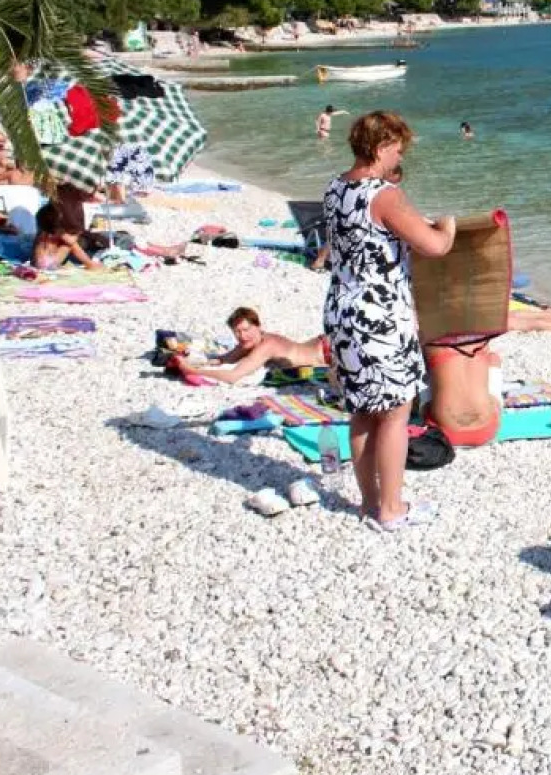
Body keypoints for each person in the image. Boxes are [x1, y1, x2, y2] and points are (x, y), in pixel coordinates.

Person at [324, 111, 455, 530]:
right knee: (396, 411)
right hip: (380, 315)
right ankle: (392, 509)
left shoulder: (335, 187)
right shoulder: (384, 194)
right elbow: (434, 245)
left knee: (362, 409)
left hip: (342, 307)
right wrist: (448, 227)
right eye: (398, 148)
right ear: (382, 147)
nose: (400, 156)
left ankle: (369, 503)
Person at [173, 307, 331, 385]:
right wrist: (193, 361)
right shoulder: (250, 341)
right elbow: (224, 360)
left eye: (246, 330)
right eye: (237, 332)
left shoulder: (267, 345)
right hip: (322, 343)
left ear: (258, 326)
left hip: (327, 352)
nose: (242, 336)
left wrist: (192, 371)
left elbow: (234, 376)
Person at [30, 202, 100, 270]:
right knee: (70, 244)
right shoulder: (57, 232)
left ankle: (89, 263)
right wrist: (81, 230)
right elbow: (71, 241)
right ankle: (90, 264)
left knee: (68, 241)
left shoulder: (44, 231)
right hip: (48, 264)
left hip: (38, 263)